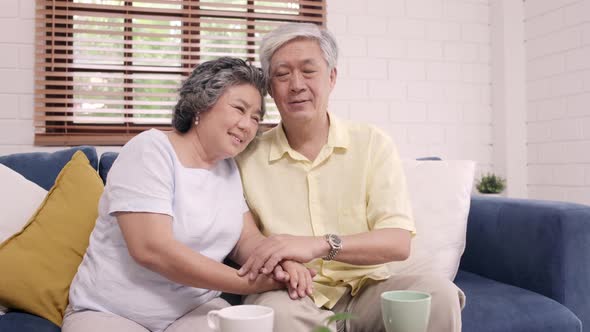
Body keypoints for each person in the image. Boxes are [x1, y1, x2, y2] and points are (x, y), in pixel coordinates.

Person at [235, 23, 465, 332]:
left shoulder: (372, 143)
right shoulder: (247, 157)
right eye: (282, 74)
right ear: (269, 88)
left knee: (439, 295)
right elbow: (244, 240)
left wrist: (318, 245)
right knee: (274, 315)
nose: (296, 84)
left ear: (332, 77)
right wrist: (282, 263)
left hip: (370, 289)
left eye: (308, 70)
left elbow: (397, 242)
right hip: (291, 293)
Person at [63, 57, 314, 332]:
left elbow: (246, 241)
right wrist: (248, 283)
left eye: (255, 118)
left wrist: (281, 263)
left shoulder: (227, 168)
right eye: (239, 109)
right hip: (111, 312)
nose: (247, 125)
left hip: (191, 311)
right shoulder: (151, 150)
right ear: (201, 105)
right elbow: (151, 250)